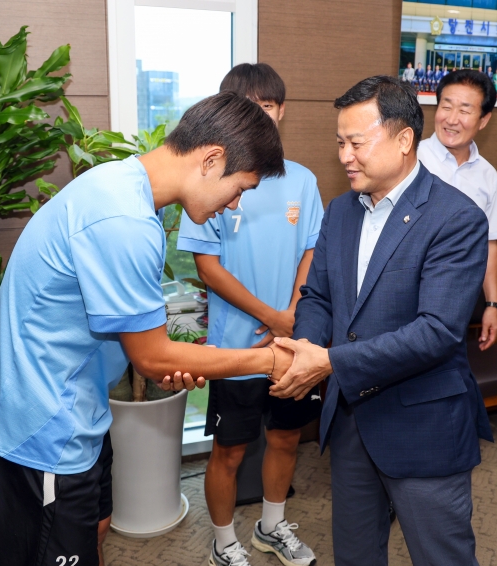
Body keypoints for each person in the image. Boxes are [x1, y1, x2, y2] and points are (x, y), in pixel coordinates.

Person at [0, 92, 295, 566]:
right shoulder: (124, 219)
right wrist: (272, 360)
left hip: (75, 411)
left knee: (94, 531)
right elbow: (154, 356)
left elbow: (142, 343)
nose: (234, 204)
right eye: (240, 187)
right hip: (38, 432)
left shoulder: (124, 187)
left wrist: (170, 360)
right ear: (211, 160)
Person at [268, 75, 492, 565]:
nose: (345, 156)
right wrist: (304, 348)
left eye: (357, 143)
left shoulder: (456, 218)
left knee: (441, 557)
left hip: (422, 424)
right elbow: (318, 297)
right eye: (340, 143)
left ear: (404, 139)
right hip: (351, 422)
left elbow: (437, 331)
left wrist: (329, 362)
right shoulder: (340, 212)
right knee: (355, 555)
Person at [177, 63, 323, 566]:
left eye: (268, 105)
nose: (260, 115)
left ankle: (272, 526)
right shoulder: (214, 181)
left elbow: (312, 251)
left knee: (285, 438)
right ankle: (223, 543)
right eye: (248, 106)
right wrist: (270, 317)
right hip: (235, 348)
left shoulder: (303, 180)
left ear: (282, 110)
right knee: (230, 450)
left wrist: (293, 314)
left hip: (291, 344)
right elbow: (207, 267)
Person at [418, 69, 497, 351]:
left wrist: (492, 304)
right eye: (446, 106)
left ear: (484, 120)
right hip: (405, 304)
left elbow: (489, 244)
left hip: (457, 310)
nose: (452, 119)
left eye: (465, 110)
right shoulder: (409, 159)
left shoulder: (487, 175)